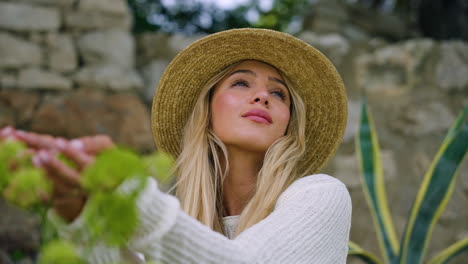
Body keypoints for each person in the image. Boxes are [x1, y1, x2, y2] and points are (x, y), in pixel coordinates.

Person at [1, 28, 351, 263]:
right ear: (207, 111)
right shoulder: (180, 217)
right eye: (241, 83)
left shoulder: (321, 196)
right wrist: (78, 212)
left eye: (278, 93)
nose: (262, 96)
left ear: (289, 123)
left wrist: (131, 197)